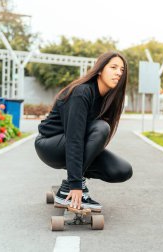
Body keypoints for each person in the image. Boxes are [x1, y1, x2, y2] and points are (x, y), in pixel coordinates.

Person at [34, 51, 133, 212]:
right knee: (102, 128)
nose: (118, 73)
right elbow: (74, 138)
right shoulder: (82, 92)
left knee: (122, 170)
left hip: (71, 144)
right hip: (49, 145)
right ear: (100, 70)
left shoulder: (108, 99)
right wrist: (76, 184)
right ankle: (69, 188)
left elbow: (86, 140)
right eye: (113, 67)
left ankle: (70, 184)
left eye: (122, 70)